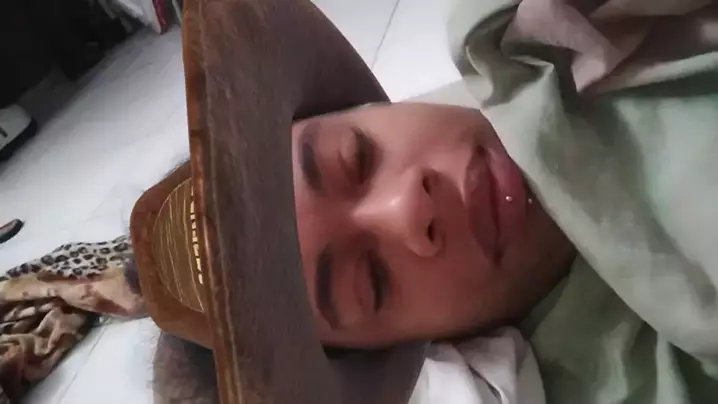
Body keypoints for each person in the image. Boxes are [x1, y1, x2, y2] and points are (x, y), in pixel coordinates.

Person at [141, 0, 718, 403]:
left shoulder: (516, 27)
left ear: (367, 106)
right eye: (371, 282)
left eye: (355, 157)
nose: (409, 210)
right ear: (396, 350)